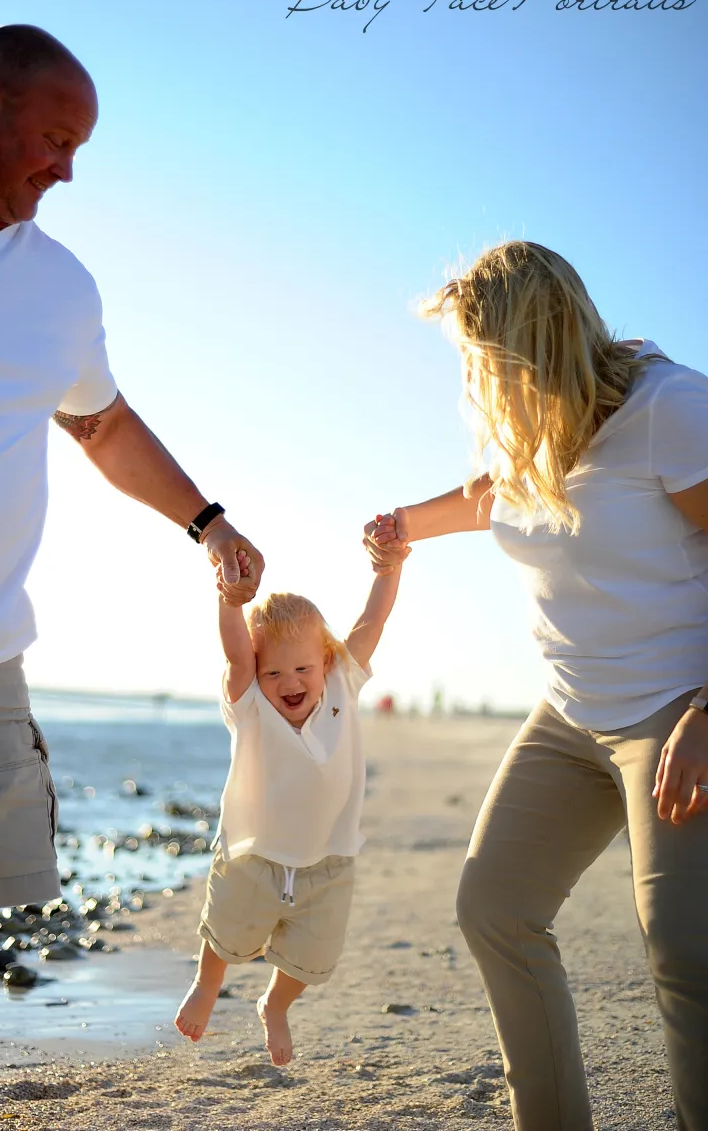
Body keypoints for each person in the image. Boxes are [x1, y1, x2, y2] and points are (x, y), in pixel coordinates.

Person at [0, 24, 263, 1131]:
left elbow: (101, 423)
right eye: (55, 138)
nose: (65, 168)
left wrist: (204, 519)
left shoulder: (60, 287)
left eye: (79, 148)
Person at [366, 241, 708, 1131]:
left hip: (678, 706)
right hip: (569, 711)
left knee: (684, 944)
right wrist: (406, 524)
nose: (475, 379)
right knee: (496, 907)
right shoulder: (536, 426)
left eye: (482, 358)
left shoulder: (671, 407)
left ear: (527, 344)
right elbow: (495, 490)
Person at [174, 543, 402, 1065]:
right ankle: (208, 986)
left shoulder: (342, 681)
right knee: (227, 931)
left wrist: (389, 570)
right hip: (253, 853)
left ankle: (274, 1005)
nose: (289, 683)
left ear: (325, 662)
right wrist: (231, 600)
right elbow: (236, 652)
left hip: (329, 858)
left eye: (301, 669)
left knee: (314, 956)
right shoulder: (250, 705)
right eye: (273, 673)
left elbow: (372, 621)